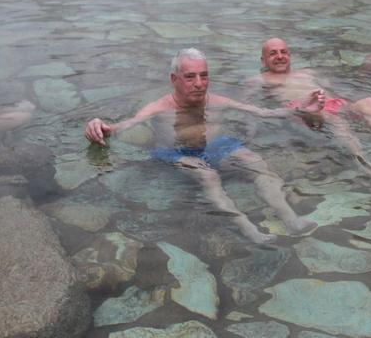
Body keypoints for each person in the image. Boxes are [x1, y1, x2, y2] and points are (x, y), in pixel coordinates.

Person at [84, 48, 323, 243]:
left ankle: (291, 220)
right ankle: (250, 231)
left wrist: (301, 107)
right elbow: (124, 125)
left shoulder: (217, 101)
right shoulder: (160, 106)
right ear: (174, 79)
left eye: (204, 75)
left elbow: (265, 112)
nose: (199, 83)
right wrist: (100, 127)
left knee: (258, 163)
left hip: (215, 146)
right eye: (190, 77)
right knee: (207, 176)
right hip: (175, 152)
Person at [248, 38, 371, 179]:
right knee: (335, 120)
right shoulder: (259, 80)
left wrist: (349, 108)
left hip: (332, 103)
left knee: (368, 102)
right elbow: (246, 103)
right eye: (273, 53)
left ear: (289, 55)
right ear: (263, 60)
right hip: (305, 111)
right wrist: (252, 126)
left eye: (283, 52)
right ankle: (363, 161)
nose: (280, 56)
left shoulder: (307, 72)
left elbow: (333, 89)